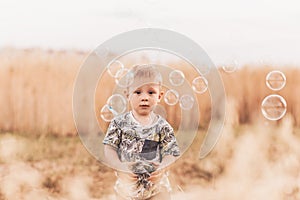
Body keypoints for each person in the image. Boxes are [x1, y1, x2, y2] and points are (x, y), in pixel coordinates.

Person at [103, 64, 180, 200]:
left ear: (160, 96)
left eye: (151, 92)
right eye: (138, 92)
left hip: (157, 189)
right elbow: (109, 148)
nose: (144, 97)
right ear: (127, 95)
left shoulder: (163, 126)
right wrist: (119, 166)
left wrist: (163, 166)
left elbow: (171, 152)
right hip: (126, 189)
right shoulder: (118, 124)